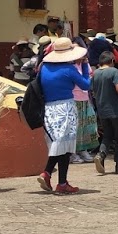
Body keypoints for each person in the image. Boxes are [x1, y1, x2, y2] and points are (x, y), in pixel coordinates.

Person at [35, 37, 91, 193]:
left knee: (58, 144)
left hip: (48, 108)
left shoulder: (44, 67)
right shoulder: (69, 69)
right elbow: (86, 85)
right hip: (66, 107)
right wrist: (85, 65)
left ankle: (48, 174)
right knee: (65, 147)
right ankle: (61, 182)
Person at [90, 52, 118, 175]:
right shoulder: (114, 71)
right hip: (115, 110)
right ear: (112, 60)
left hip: (102, 110)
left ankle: (101, 155)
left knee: (107, 136)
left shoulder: (95, 73)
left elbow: (92, 91)